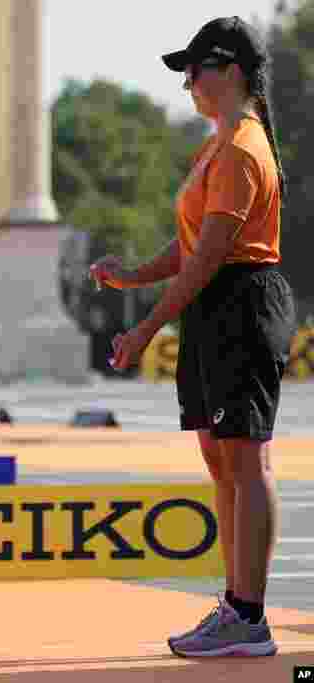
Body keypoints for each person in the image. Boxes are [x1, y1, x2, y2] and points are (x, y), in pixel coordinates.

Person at [91, 16, 295, 658]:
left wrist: (145, 328)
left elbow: (209, 257)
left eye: (194, 70)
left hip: (241, 302)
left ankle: (248, 614)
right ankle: (236, 604)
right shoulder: (217, 144)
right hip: (214, 308)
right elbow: (187, 248)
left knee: (244, 458)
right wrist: (131, 277)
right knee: (220, 459)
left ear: (231, 71)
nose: (186, 84)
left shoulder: (240, 147)